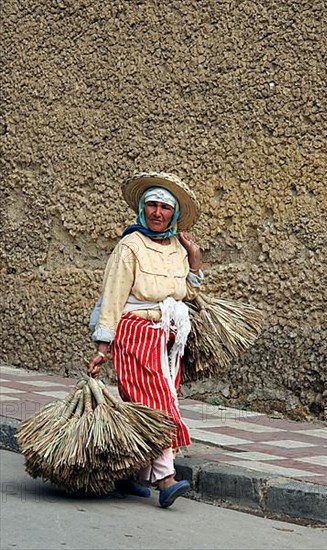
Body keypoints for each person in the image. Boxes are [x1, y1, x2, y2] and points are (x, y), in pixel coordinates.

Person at [87, 171, 203, 508]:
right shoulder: (130, 246)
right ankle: (165, 477)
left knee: (148, 401)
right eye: (151, 205)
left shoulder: (177, 248)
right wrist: (102, 346)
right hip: (135, 331)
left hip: (168, 334)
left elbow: (188, 291)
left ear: (174, 214)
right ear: (141, 209)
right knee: (157, 403)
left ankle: (132, 474)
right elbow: (113, 296)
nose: (157, 213)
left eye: (164, 208)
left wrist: (194, 258)